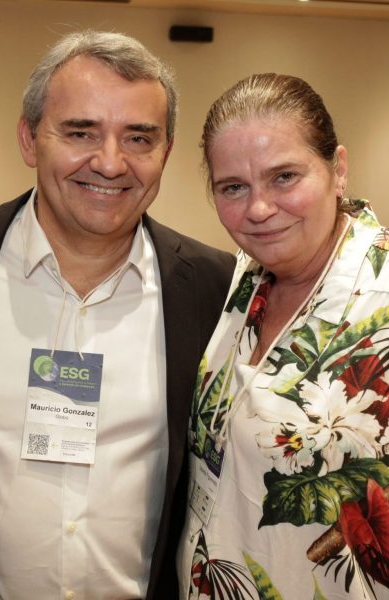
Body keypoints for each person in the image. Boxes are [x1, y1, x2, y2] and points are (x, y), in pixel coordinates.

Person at [0, 30, 234, 600]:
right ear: (30, 139)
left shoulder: (215, 287)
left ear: (166, 153)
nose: (110, 162)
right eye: (81, 132)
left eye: (138, 138)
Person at [176, 73, 389, 599]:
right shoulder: (244, 283)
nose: (259, 209)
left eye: (284, 177)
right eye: (233, 187)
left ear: (338, 169)